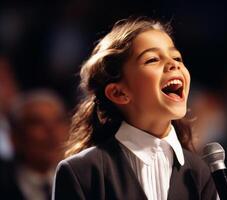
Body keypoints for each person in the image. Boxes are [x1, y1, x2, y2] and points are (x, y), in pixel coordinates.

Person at [52, 17, 216, 200]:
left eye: (177, 57)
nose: (174, 64)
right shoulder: (81, 172)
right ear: (118, 93)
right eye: (152, 59)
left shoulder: (199, 172)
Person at [1, 90, 69, 200]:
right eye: (37, 122)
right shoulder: (4, 184)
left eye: (58, 121)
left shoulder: (84, 182)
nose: (51, 131)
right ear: (15, 137)